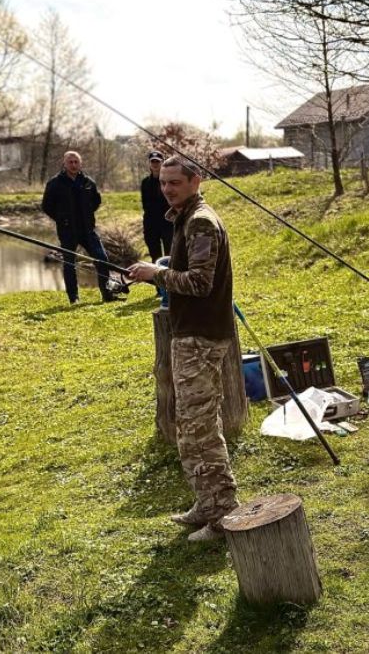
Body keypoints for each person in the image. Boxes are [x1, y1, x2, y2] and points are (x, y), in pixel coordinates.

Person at [127, 155, 238, 542]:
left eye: (174, 182)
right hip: (191, 334)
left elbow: (200, 283)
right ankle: (207, 503)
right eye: (162, 182)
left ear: (196, 180)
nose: (167, 189)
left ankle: (222, 515)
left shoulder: (200, 221)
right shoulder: (186, 218)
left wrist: (155, 274)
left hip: (201, 337)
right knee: (192, 425)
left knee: (200, 429)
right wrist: (155, 272)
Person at [40, 150, 117, 304]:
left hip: (88, 229)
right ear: (64, 163)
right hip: (67, 230)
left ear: (80, 163)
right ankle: (73, 298)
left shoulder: (88, 182)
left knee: (102, 258)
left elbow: (96, 201)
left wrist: (87, 215)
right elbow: (46, 206)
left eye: (76, 162)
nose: (73, 165)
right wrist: (61, 219)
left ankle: (107, 294)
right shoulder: (55, 183)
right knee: (69, 263)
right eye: (70, 162)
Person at [140, 150, 174, 260]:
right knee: (155, 255)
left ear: (162, 162)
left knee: (170, 255)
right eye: (153, 161)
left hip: (167, 222)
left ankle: (169, 271)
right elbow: (144, 204)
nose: (155, 164)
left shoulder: (169, 181)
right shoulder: (145, 182)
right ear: (149, 163)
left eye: (157, 161)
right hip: (151, 223)